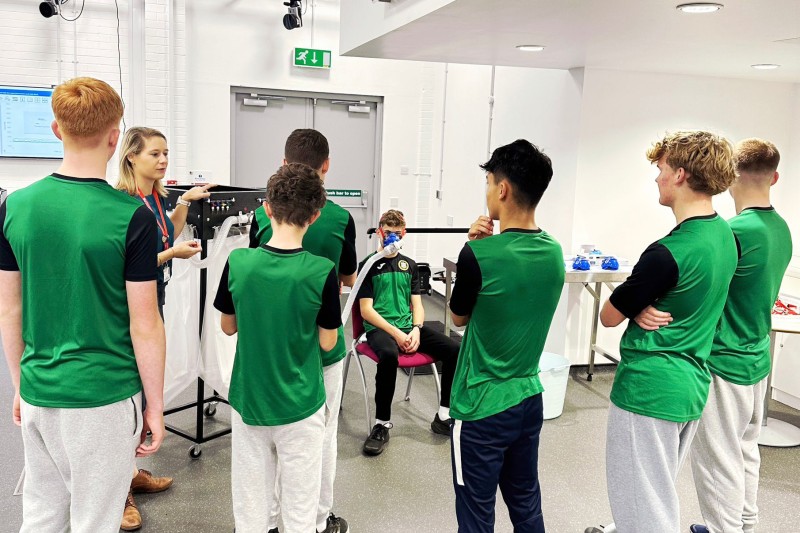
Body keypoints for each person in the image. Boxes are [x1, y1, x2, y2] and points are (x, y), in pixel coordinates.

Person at [0, 77, 166, 532]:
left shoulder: (15, 207)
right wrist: (155, 405)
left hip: (38, 391)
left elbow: (9, 309)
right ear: (116, 138)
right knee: (95, 520)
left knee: (42, 513)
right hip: (104, 398)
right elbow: (144, 322)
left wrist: (19, 383)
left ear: (56, 130)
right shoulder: (130, 215)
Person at [590, 131, 738, 533]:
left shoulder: (665, 254)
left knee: (646, 511)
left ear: (680, 175)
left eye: (661, 170)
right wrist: (639, 307)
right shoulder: (725, 235)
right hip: (690, 385)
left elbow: (607, 315)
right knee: (654, 495)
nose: (657, 178)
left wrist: (633, 307)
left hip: (649, 390)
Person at [214, 163, 342, 533]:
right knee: (300, 509)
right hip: (301, 404)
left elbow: (227, 326)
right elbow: (328, 341)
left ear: (267, 209)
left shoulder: (239, 262)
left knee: (251, 506)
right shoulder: (321, 271)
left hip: (250, 400)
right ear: (315, 216)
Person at [448, 139, 564, 533]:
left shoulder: (477, 255)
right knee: (526, 505)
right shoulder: (553, 252)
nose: (486, 191)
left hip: (482, 405)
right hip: (528, 400)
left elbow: (457, 318)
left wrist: (475, 249)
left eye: (488, 182)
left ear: (502, 189)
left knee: (476, 515)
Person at [249, 128, 356, 533]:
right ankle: (316, 518)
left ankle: (272, 520)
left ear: (283, 163)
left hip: (271, 348)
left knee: (268, 442)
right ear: (326, 166)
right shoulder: (341, 217)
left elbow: (255, 271)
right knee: (320, 439)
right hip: (322, 349)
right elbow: (347, 277)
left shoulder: (263, 216)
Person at [683, 139, 792, 533]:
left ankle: (722, 529)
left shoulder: (732, 232)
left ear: (729, 178)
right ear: (775, 177)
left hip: (725, 360)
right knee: (745, 450)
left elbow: (699, 295)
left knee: (717, 460)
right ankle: (745, 524)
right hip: (757, 358)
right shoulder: (782, 229)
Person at [115, 126, 213, 530]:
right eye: (154, 154)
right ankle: (120, 495)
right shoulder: (122, 202)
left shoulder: (157, 196)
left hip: (155, 298)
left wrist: (185, 204)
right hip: (130, 308)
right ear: (131, 157)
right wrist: (173, 253)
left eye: (166, 153)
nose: (163, 160)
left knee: (140, 395)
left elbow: (166, 233)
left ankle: (130, 472)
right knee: (126, 398)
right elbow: (131, 264)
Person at [357, 209, 460, 455]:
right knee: (389, 356)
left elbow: (417, 305)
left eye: (397, 233)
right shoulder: (368, 265)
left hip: (408, 328)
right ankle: (381, 424)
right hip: (380, 328)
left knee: (455, 349)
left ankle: (443, 416)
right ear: (379, 233)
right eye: (387, 233)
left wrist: (416, 329)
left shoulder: (409, 265)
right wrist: (396, 333)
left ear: (404, 235)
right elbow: (365, 310)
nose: (391, 238)